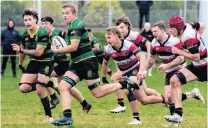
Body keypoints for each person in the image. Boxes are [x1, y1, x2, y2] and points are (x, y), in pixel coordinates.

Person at [50, 4, 143, 126]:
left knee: (97, 93)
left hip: (88, 62)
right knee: (63, 86)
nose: (64, 16)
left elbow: (74, 46)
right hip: (77, 63)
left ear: (74, 14)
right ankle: (67, 117)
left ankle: (124, 83)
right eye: (63, 13)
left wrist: (57, 51)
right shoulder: (71, 27)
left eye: (67, 13)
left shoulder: (76, 25)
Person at [149, 21, 205, 126]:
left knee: (172, 92)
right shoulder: (154, 43)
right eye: (152, 32)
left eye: (155, 31)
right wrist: (143, 70)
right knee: (168, 98)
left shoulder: (177, 40)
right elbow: (202, 25)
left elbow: (182, 57)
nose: (153, 33)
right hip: (176, 69)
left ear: (162, 30)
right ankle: (176, 118)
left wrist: (196, 39)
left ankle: (178, 115)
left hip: (179, 67)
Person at [110, 16, 160, 114]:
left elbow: (148, 44)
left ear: (128, 27)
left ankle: (122, 105)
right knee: (145, 90)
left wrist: (150, 58)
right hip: (127, 67)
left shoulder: (134, 35)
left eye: (122, 27)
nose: (120, 30)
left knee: (120, 83)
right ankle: (164, 99)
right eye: (119, 28)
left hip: (137, 67)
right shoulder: (118, 38)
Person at [41, 16, 92, 113]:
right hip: (54, 62)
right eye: (42, 24)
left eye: (46, 24)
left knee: (44, 77)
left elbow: (72, 42)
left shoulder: (59, 33)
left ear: (52, 25)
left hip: (61, 62)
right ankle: (85, 104)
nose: (44, 26)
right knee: (67, 87)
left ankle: (54, 98)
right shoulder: (44, 36)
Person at [11, 9, 54, 122]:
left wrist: (21, 50)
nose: (27, 22)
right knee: (23, 88)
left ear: (35, 20)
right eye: (25, 20)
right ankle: (49, 83)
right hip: (34, 62)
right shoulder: (23, 34)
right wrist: (20, 64)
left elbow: (39, 53)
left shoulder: (42, 32)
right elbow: (22, 50)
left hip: (46, 61)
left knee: (40, 89)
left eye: (30, 19)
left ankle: (48, 117)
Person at [164, 16, 207, 124]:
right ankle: (178, 114)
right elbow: (202, 26)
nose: (169, 30)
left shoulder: (188, 37)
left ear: (178, 27)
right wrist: (198, 39)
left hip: (205, 66)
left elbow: (196, 56)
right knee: (174, 80)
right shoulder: (189, 25)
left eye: (171, 28)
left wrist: (179, 52)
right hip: (197, 66)